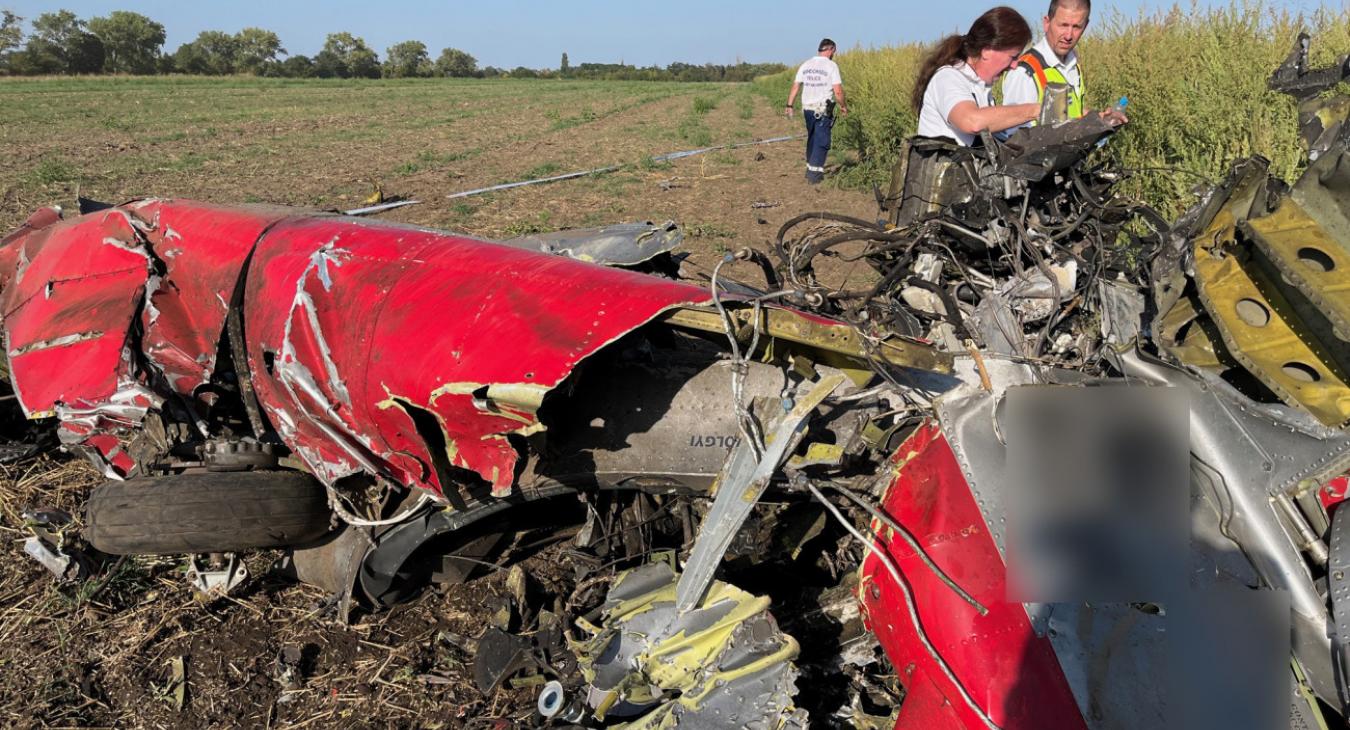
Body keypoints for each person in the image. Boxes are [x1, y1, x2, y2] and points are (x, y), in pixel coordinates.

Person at [912, 6, 1039, 146]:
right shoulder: (947, 78)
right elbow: (972, 122)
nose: (1014, 65)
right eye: (1013, 57)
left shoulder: (979, 87)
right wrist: (1035, 110)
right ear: (987, 51)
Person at [1002, 0, 1090, 122]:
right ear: (1047, 23)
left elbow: (1074, 115)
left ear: (1085, 26)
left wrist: (1099, 121)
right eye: (1063, 25)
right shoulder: (1024, 71)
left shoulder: (1073, 65)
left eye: (1076, 27)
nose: (1068, 36)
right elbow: (1013, 133)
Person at [786, 39, 848, 184]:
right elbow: (838, 91)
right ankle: (814, 176)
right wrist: (843, 106)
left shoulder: (806, 64)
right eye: (834, 51)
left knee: (812, 138)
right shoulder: (831, 66)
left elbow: (796, 87)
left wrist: (789, 105)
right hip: (822, 110)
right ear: (831, 49)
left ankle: (810, 169)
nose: (834, 54)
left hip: (807, 109)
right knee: (822, 141)